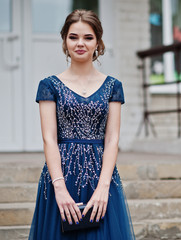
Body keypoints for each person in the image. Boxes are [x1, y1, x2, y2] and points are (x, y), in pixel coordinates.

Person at [28, 9, 135, 240]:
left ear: (98, 42)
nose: (80, 43)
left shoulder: (113, 86)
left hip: (102, 176)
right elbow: (49, 138)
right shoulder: (49, 85)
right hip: (60, 176)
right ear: (65, 41)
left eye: (88, 37)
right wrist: (59, 187)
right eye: (73, 37)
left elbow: (112, 139)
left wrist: (103, 187)